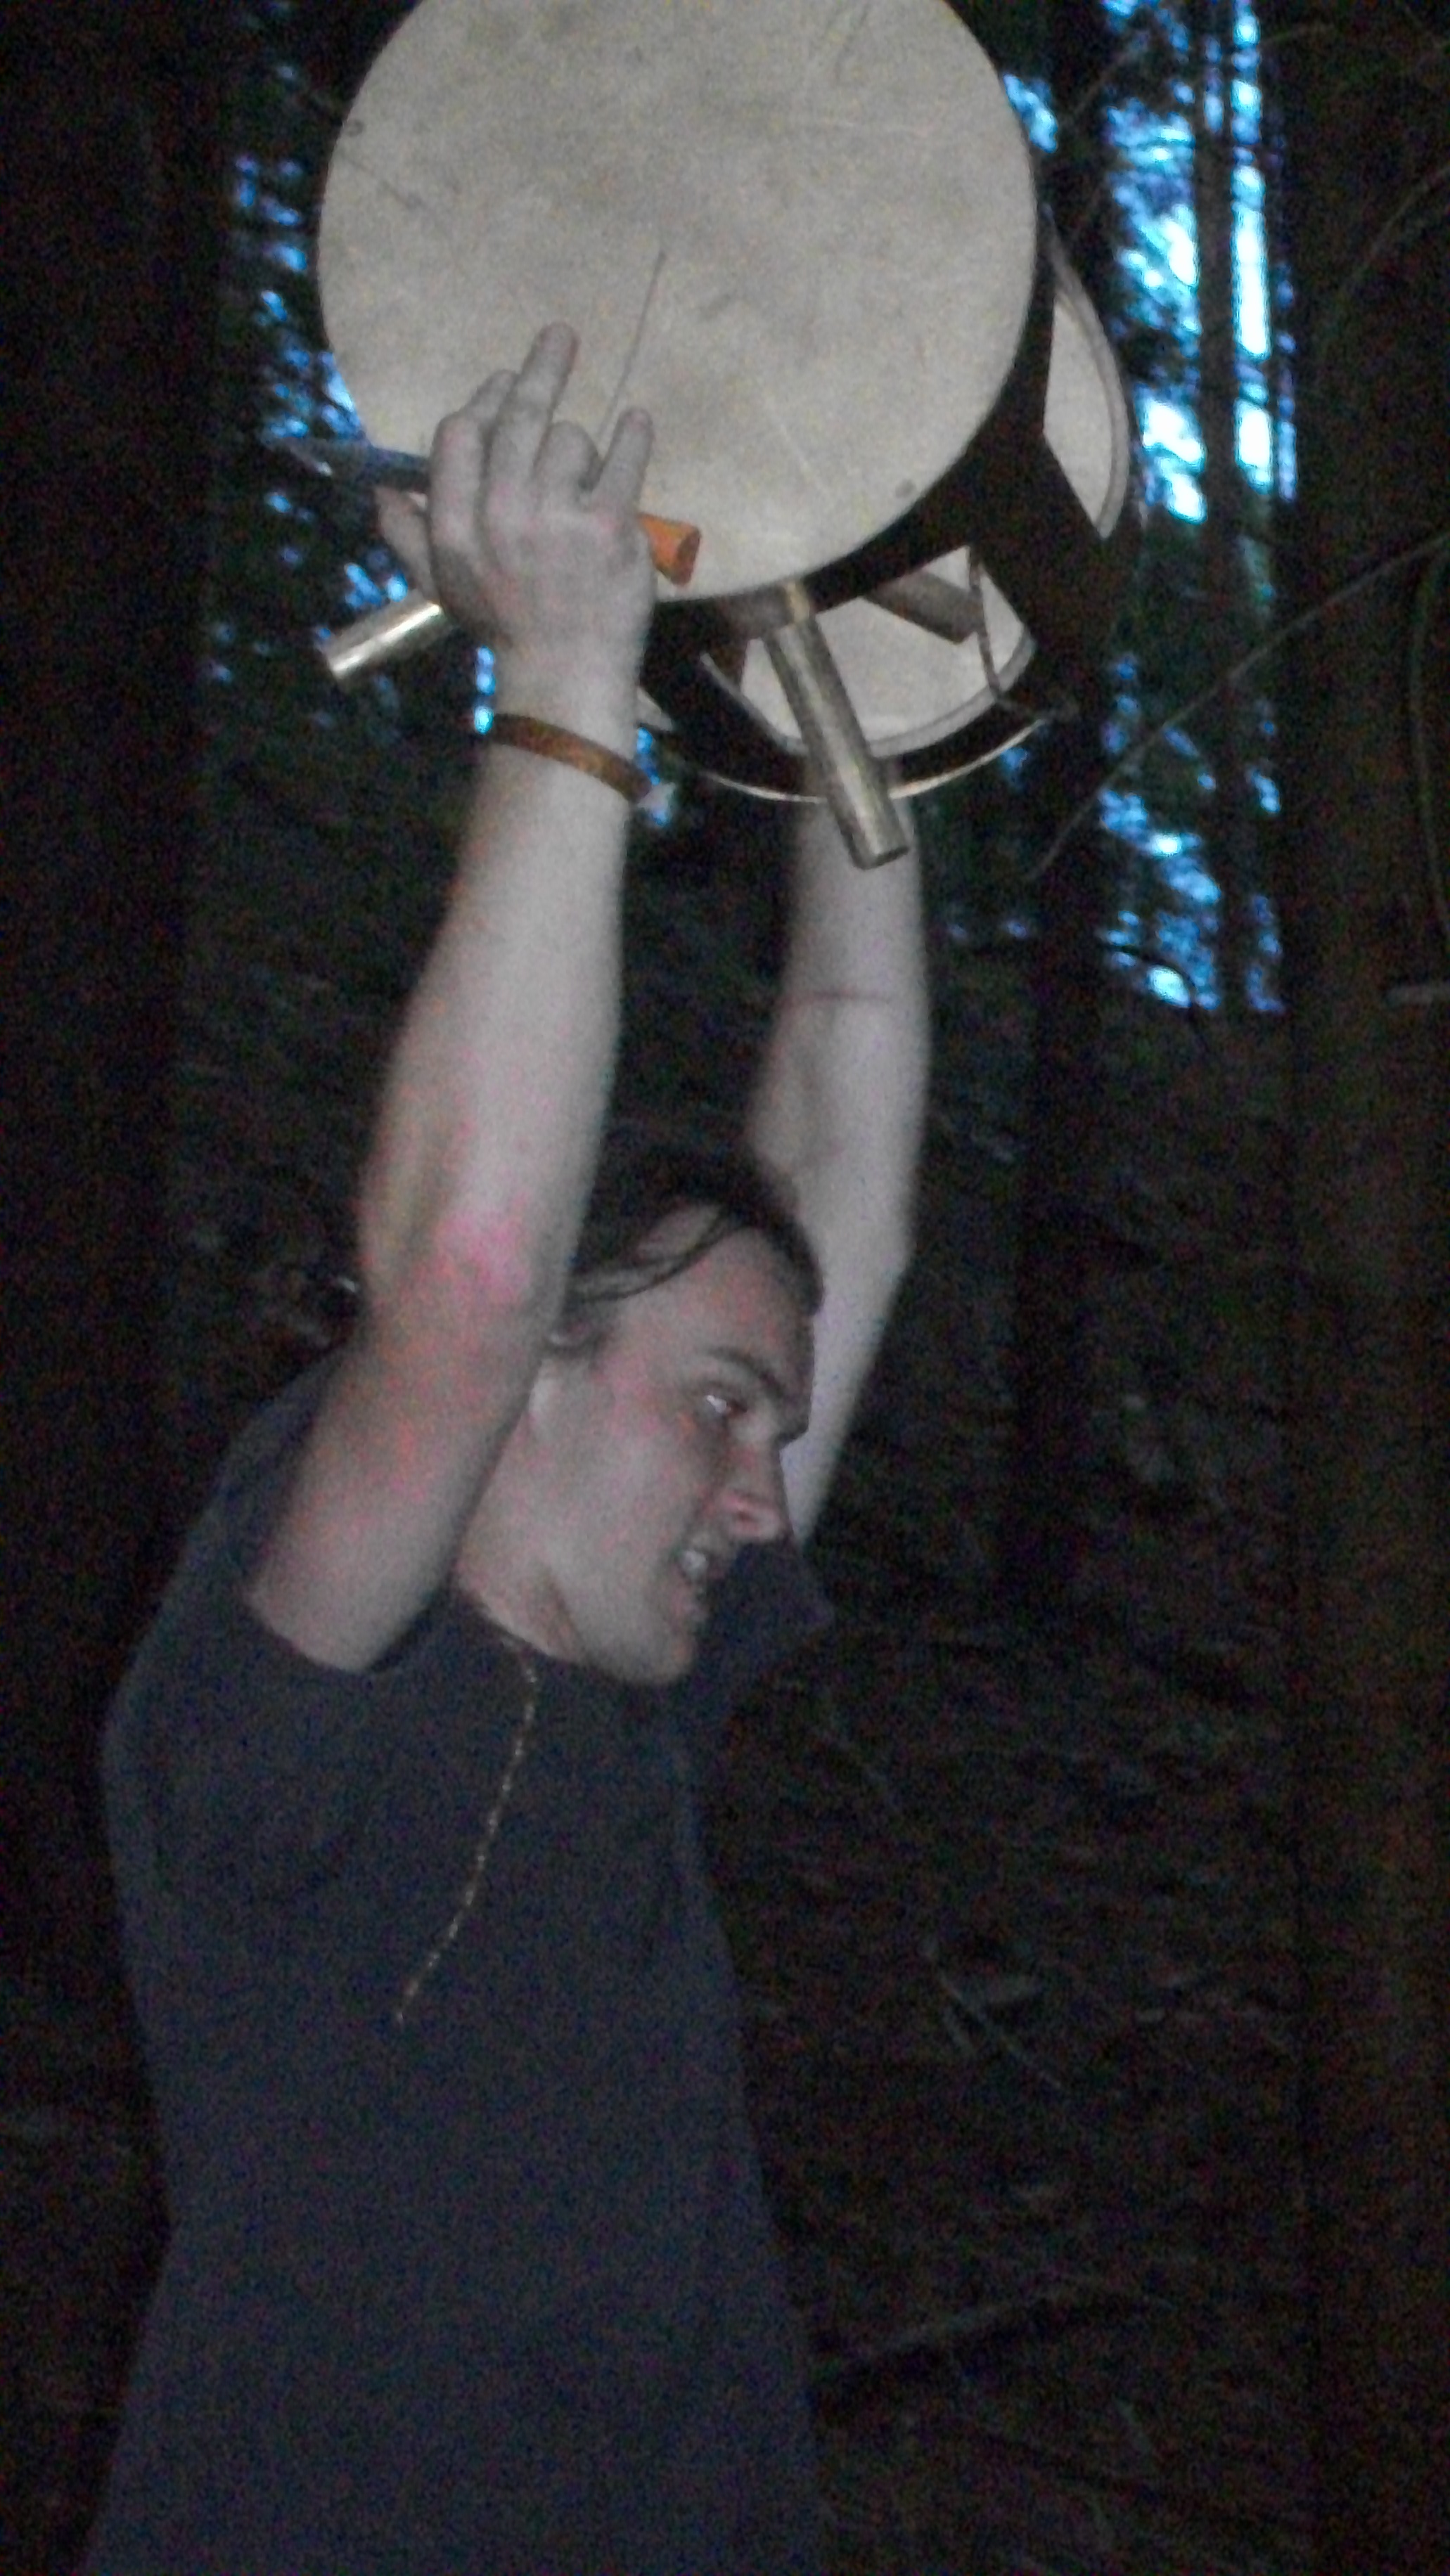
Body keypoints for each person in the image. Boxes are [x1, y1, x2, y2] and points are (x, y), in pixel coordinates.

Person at [86, 325, 929, 2575]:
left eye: (769, 1426)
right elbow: (459, 1268)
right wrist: (566, 675)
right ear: (540, 1368)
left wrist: (861, 726)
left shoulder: (632, 1719)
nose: (763, 1495)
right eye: (722, 1408)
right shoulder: (282, 1738)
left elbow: (846, 1116)